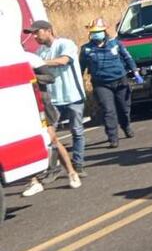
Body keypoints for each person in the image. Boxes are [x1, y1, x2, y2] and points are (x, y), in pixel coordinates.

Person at [22, 20, 87, 175]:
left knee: (77, 131)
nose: (34, 36)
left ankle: (78, 164)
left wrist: (40, 63)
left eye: (37, 32)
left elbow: (64, 60)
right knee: (49, 135)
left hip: (73, 95)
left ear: (48, 30)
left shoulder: (66, 44)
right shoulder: (39, 52)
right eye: (33, 34)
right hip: (53, 100)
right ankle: (55, 166)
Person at [20, 55, 82, 196]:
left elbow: (50, 77)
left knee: (52, 139)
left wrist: (29, 77)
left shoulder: (30, 59)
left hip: (41, 106)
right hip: (22, 108)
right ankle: (34, 181)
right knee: (26, 145)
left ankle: (72, 173)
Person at [79, 18, 140, 148]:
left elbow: (127, 57)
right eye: (93, 32)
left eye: (98, 31)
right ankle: (113, 137)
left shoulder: (115, 44)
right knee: (108, 110)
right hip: (101, 84)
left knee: (124, 108)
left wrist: (135, 72)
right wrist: (79, 82)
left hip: (120, 80)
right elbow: (81, 67)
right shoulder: (86, 49)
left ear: (104, 31)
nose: (96, 34)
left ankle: (126, 126)